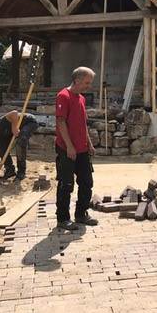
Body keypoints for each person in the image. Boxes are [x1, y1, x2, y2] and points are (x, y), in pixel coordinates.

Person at [55, 66, 98, 230]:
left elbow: (82, 124)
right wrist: (70, 147)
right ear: (77, 80)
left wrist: (89, 143)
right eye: (87, 82)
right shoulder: (63, 96)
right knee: (66, 184)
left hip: (82, 149)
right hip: (66, 149)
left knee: (87, 182)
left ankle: (81, 214)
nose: (89, 85)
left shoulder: (81, 98)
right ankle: (63, 219)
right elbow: (61, 122)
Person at [0, 111, 39, 181]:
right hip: (11, 132)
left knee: (21, 142)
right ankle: (10, 170)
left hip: (29, 122)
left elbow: (14, 113)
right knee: (0, 146)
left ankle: (21, 172)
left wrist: (14, 127)